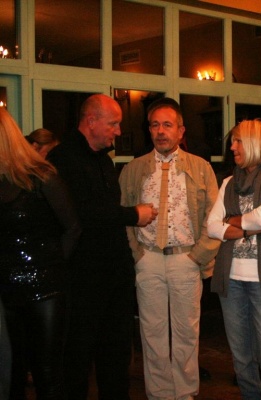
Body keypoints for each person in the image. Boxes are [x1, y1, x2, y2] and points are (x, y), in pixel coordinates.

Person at [47, 93, 157, 400]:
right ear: (91, 121)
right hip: (82, 277)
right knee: (77, 356)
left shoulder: (105, 161)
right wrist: (133, 215)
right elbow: (80, 213)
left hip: (114, 275)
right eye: (113, 124)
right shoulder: (62, 159)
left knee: (116, 355)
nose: (118, 131)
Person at [119, 97, 221, 400]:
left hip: (185, 259)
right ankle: (160, 394)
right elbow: (123, 215)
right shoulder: (133, 169)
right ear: (149, 130)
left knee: (186, 332)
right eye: (155, 125)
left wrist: (198, 256)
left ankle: (185, 393)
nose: (160, 131)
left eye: (167, 125)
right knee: (152, 333)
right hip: (148, 259)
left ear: (180, 130)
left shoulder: (201, 168)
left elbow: (214, 217)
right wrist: (137, 255)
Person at [0, 107, 81, 399]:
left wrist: (50, 268)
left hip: (46, 289)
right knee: (12, 373)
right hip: (6, 289)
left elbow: (73, 227)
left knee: (47, 372)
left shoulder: (42, 177)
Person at [207, 119, 261, 400]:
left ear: (256, 143)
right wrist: (245, 228)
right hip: (231, 280)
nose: (232, 147)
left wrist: (230, 221)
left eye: (238, 141)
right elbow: (211, 226)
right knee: (242, 360)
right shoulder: (229, 183)